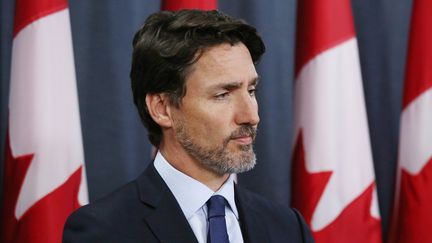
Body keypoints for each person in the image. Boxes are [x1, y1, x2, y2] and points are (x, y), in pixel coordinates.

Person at [63, 9, 314, 243]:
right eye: (223, 94)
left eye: (251, 90)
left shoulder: (288, 228)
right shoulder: (104, 231)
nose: (251, 116)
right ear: (162, 109)